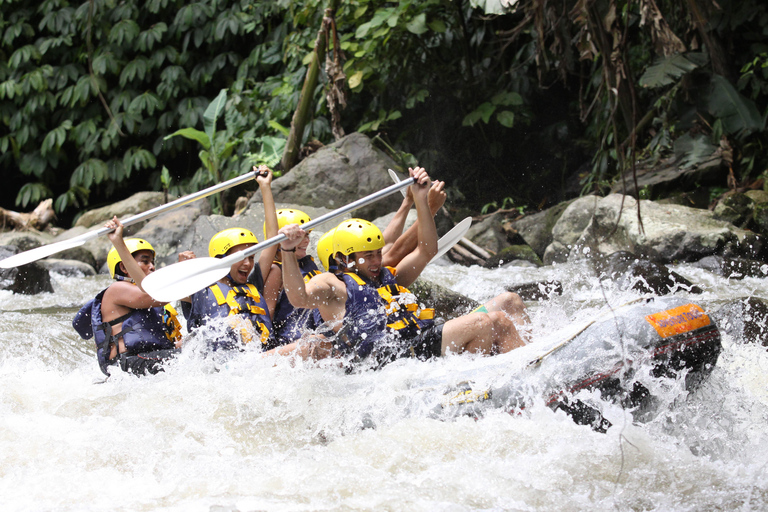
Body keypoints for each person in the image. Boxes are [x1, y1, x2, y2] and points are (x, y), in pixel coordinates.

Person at [269, 167, 528, 367]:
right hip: (394, 357)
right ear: (343, 259)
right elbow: (299, 297)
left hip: (419, 341)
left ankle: (534, 362)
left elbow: (427, 250)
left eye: (377, 254)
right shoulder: (332, 286)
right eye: (367, 256)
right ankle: (479, 385)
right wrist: (288, 251)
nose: (376, 261)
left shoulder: (386, 278)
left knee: (506, 305)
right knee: (486, 322)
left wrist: (421, 201)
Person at [183, 166, 279, 350]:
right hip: (222, 366)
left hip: (257, 362)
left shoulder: (253, 283)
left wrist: (265, 187)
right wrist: (185, 270)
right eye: (240, 257)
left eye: (251, 257)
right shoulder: (199, 289)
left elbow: (273, 240)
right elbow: (151, 293)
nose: (248, 263)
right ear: (221, 259)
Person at [72, 217, 182, 376]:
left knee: (200, 349)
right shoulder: (117, 290)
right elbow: (154, 295)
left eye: (152, 262)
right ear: (124, 267)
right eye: (145, 262)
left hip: (149, 359)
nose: (152, 267)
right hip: (128, 363)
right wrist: (118, 242)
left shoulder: (153, 298)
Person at [262, 208, 322, 346]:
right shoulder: (275, 271)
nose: (305, 241)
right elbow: (267, 316)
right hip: (291, 342)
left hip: (313, 333)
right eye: (299, 237)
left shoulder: (308, 265)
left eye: (307, 235)